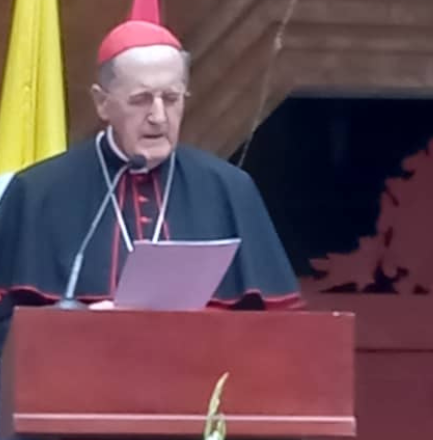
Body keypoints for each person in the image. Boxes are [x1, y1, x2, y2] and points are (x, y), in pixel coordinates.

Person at [0, 19, 304, 349]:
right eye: (141, 99)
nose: (158, 117)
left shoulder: (229, 189)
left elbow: (281, 332)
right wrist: (74, 328)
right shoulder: (37, 192)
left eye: (171, 98)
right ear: (102, 103)